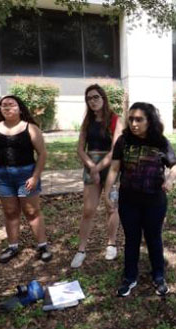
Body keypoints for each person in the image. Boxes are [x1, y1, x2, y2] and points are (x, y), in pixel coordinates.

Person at [104, 102, 176, 297]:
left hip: (155, 200)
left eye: (139, 119)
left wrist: (170, 180)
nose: (134, 123)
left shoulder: (160, 142)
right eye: (131, 119)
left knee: (154, 238)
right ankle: (129, 277)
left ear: (150, 121)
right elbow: (114, 168)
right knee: (131, 239)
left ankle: (159, 276)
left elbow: (175, 166)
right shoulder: (123, 141)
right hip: (129, 200)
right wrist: (107, 192)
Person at [0, 95, 52, 263]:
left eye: (11, 104)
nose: (7, 107)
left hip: (26, 176)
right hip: (2, 177)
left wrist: (35, 177)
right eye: (3, 105)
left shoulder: (31, 128)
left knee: (31, 212)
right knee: (10, 212)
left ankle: (42, 245)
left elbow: (42, 154)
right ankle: (12, 247)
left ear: (20, 108)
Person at [70, 84, 124, 268]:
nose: (92, 101)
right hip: (91, 164)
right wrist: (92, 167)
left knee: (111, 206)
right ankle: (81, 250)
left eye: (95, 97)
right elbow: (79, 148)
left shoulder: (116, 119)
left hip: (111, 167)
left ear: (103, 98)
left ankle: (111, 244)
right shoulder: (87, 121)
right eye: (89, 98)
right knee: (88, 210)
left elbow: (116, 149)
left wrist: (98, 167)